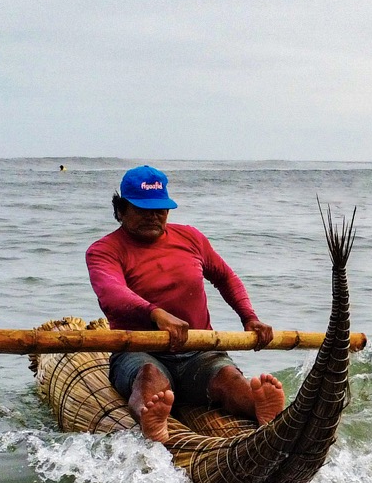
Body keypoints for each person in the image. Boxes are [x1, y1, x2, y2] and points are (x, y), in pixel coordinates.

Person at [86, 165, 285, 443]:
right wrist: (154, 313)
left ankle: (258, 406)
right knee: (149, 378)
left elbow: (225, 277)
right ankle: (150, 419)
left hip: (197, 350)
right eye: (143, 209)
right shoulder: (104, 250)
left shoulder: (190, 237)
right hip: (140, 350)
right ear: (120, 211)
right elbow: (111, 292)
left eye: (160, 210)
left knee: (228, 378)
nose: (153, 216)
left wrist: (249, 317)